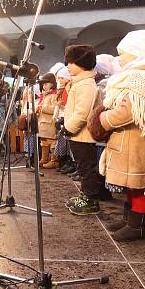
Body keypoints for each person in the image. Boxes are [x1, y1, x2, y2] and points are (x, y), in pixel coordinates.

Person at [94, 30, 145, 242]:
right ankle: (129, 219)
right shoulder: (137, 73)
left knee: (137, 183)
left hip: (135, 139)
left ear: (138, 52)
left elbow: (130, 110)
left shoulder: (142, 77)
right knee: (130, 183)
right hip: (127, 138)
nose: (120, 58)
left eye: (123, 53)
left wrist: (103, 119)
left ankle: (137, 225)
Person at [59, 45, 103, 217]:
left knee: (86, 168)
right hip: (77, 134)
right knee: (82, 167)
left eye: (71, 62)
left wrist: (69, 128)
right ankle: (85, 196)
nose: (68, 66)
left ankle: (91, 200)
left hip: (83, 135)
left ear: (82, 63)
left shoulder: (86, 84)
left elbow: (82, 113)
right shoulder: (80, 82)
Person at [36, 73, 58, 169]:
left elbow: (55, 109)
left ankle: (54, 160)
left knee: (52, 142)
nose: (44, 86)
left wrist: (43, 107)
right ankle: (44, 158)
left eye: (46, 84)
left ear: (52, 84)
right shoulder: (44, 95)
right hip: (43, 124)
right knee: (43, 141)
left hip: (50, 124)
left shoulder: (54, 95)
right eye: (43, 84)